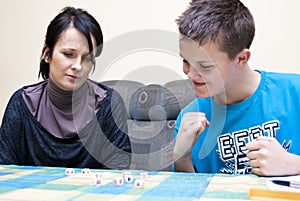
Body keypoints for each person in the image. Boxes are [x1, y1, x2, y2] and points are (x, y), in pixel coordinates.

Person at [173, 0, 300, 176]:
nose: (190, 74)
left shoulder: (295, 92)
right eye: (186, 61)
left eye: (205, 65)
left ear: (241, 58)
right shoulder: (188, 119)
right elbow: (187, 191)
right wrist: (181, 157)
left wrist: (294, 164)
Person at [0, 7, 131, 169]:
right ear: (47, 54)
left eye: (87, 58)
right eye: (69, 54)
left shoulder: (110, 103)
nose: (78, 66)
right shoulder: (21, 103)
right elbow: (4, 170)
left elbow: (119, 169)